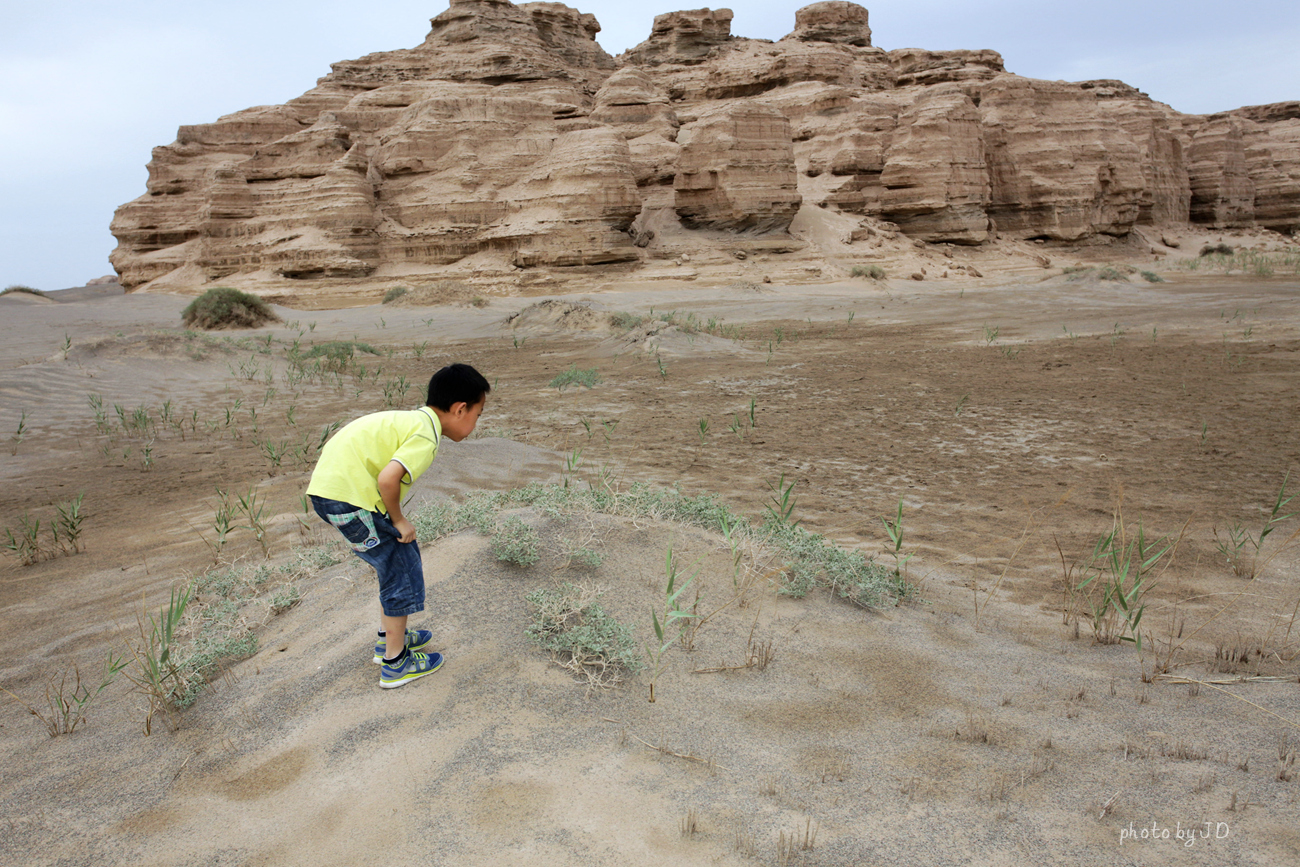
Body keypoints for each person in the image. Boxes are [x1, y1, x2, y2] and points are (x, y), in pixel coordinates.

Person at [307, 362, 489, 688]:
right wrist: (399, 520)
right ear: (460, 409)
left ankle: (390, 637)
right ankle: (395, 662)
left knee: (393, 562)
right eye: (478, 414)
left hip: (332, 491)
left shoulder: (412, 419)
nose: (476, 421)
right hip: (348, 498)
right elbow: (388, 479)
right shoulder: (426, 436)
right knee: (401, 567)